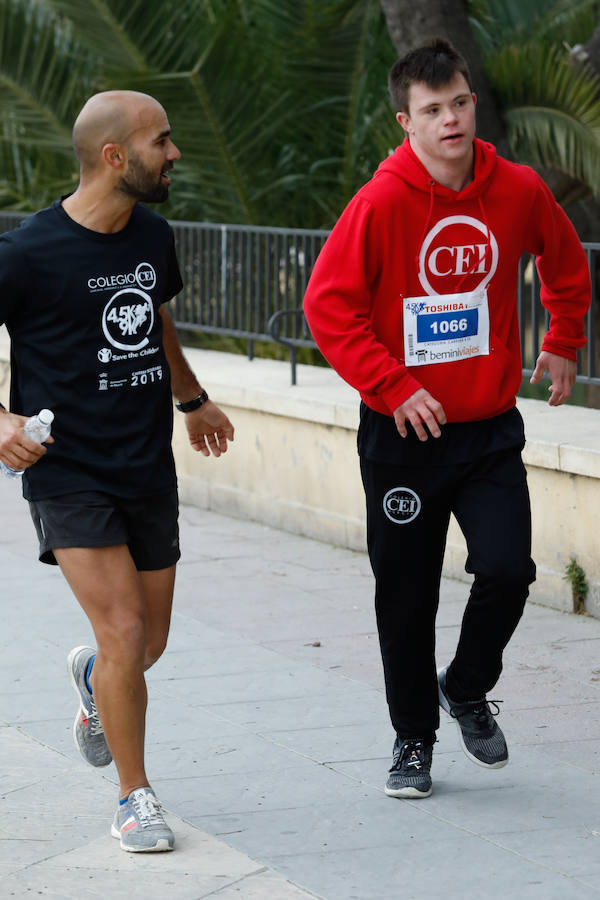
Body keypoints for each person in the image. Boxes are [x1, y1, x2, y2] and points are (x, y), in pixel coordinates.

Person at [303, 39, 591, 799]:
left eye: (459, 102)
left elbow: (563, 262)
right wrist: (392, 387)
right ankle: (412, 738)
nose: (451, 119)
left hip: (489, 427)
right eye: (432, 110)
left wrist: (563, 340)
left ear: (472, 104)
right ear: (407, 122)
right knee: (406, 594)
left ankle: (464, 686)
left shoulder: (520, 190)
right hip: (403, 436)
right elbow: (327, 307)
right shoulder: (382, 202)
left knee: (507, 571)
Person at [0, 90, 234, 850]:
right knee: (125, 628)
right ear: (114, 157)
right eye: (161, 142)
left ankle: (96, 683)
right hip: (68, 470)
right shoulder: (27, 254)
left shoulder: (153, 236)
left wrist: (192, 398)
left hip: (145, 465)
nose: (174, 155)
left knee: (146, 642)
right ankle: (135, 796)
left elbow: (155, 316)